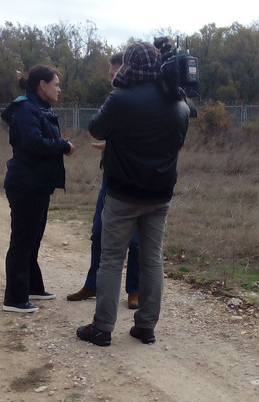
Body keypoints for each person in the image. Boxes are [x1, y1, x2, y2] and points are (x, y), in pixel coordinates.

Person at [76, 42, 190, 346]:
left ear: (129, 64)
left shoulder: (121, 98)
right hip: (160, 195)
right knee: (152, 260)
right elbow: (178, 140)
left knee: (112, 260)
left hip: (122, 193)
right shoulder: (178, 103)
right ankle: (145, 327)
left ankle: (102, 328)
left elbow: (95, 129)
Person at [67, 51, 141, 310]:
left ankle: (135, 290)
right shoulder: (115, 99)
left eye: (114, 74)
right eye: (110, 74)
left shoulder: (138, 101)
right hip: (109, 178)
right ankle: (93, 284)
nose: (110, 78)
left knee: (135, 240)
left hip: (134, 180)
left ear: (127, 72)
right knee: (98, 232)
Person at [0, 64, 75, 313]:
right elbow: (33, 143)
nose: (59, 89)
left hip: (38, 184)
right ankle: (14, 299)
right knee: (22, 241)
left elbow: (42, 141)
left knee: (33, 239)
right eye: (56, 84)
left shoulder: (40, 107)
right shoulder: (25, 108)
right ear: (42, 85)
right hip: (25, 184)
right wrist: (63, 145)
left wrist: (59, 145)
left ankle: (32, 287)